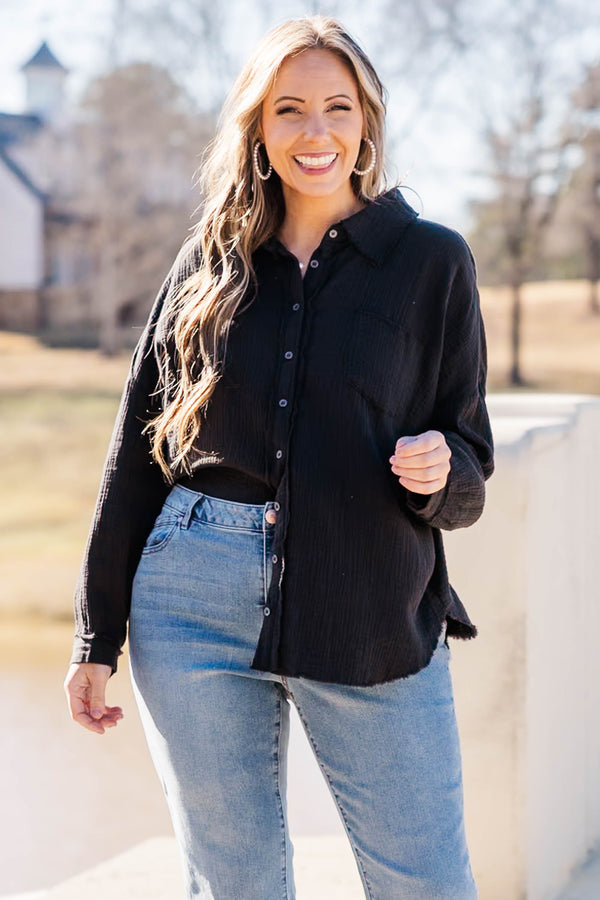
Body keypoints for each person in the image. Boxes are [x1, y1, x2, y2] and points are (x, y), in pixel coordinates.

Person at [64, 14, 494, 900]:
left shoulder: (431, 261)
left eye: (338, 107)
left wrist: (442, 468)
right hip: (191, 603)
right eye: (289, 109)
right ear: (258, 126)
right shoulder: (209, 261)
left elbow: (470, 465)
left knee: (427, 883)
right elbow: (137, 457)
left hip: (370, 604)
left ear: (367, 121)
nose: (315, 131)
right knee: (236, 885)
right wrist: (95, 634)